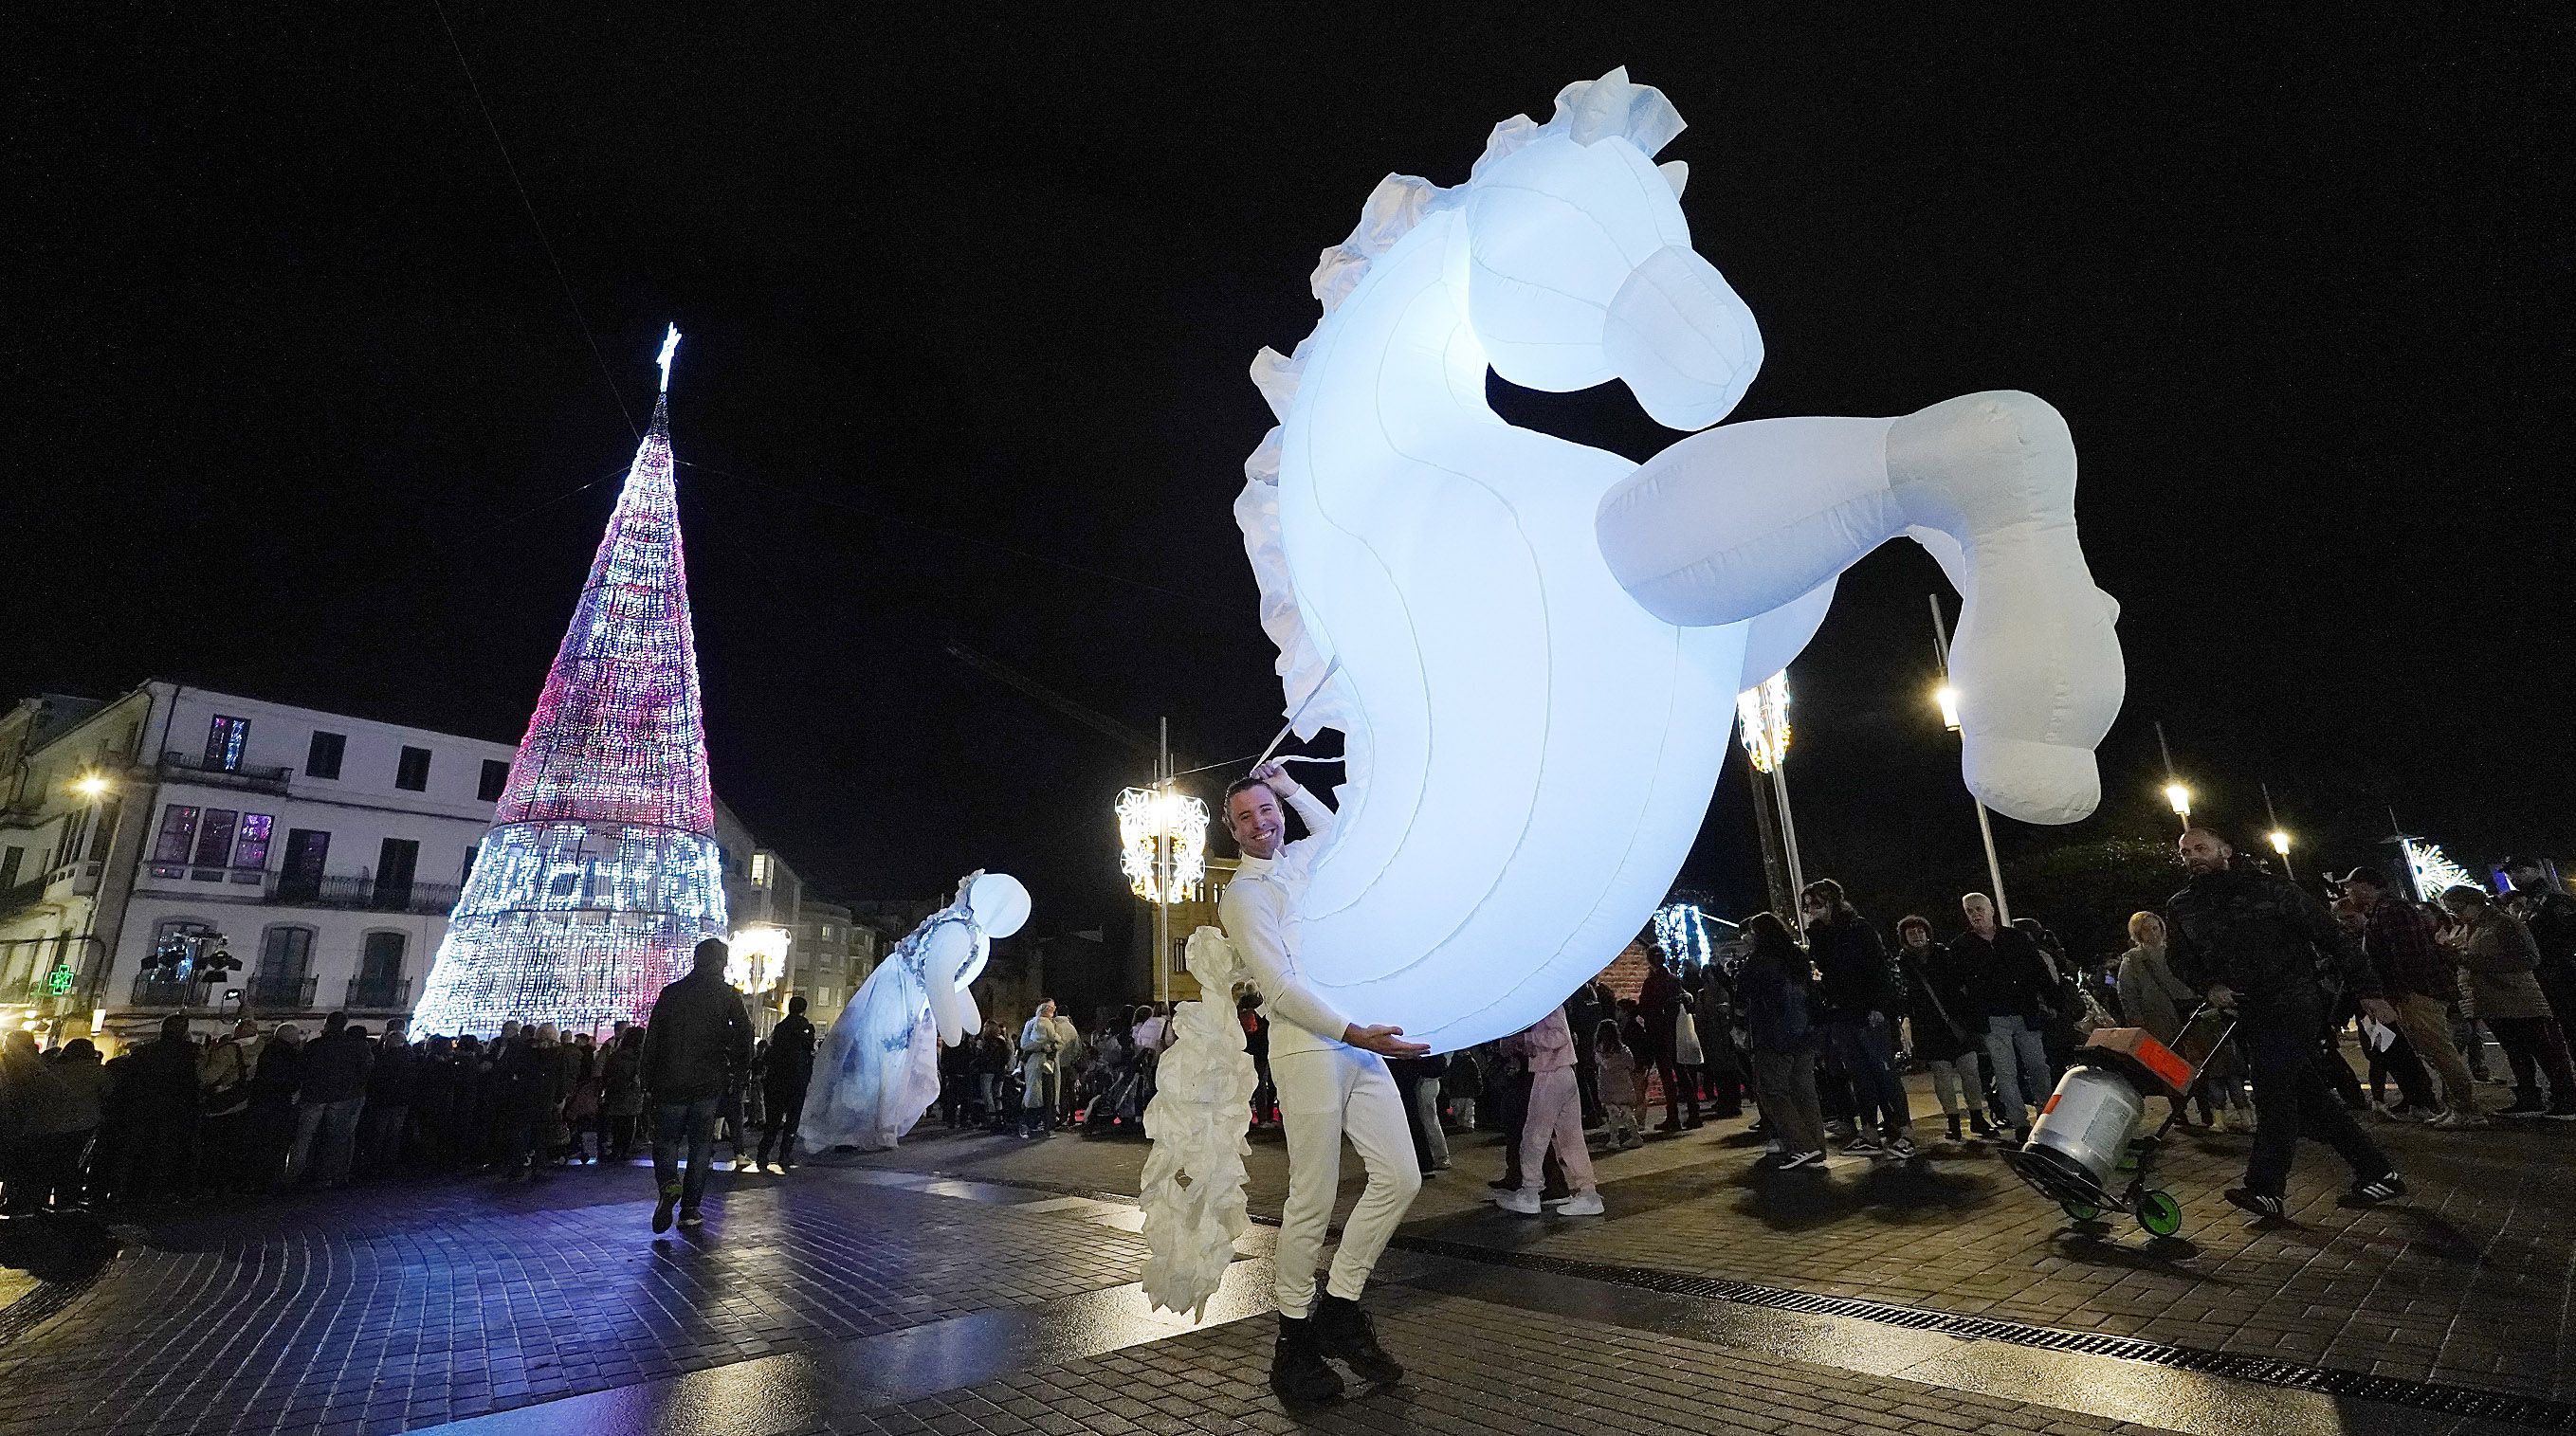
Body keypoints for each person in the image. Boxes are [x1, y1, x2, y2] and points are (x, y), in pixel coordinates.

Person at [1217, 759, 1423, 1406]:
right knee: (1313, 1195)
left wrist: (1292, 787)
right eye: (1246, 816)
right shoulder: (1244, 894)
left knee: (1401, 1175)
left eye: (1266, 809)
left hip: (1353, 1036)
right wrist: (1354, 1032)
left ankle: (1337, 1305)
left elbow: (1340, 834)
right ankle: (1292, 1338)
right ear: (1232, 829)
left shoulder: (1302, 859)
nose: (1261, 822)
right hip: (1309, 1043)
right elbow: (1277, 986)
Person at [2165, 827, 2405, 1220]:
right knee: (2309, 1095)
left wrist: (2370, 993)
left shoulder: (2273, 890)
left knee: (2273, 1092)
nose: (2193, 856)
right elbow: (2180, 959)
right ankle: (2379, 1172)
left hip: (2293, 1003)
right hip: (2247, 1013)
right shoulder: (2182, 906)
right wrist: (2209, 985)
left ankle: (2265, 1189)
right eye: (2185, 851)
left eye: (2201, 848)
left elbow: (2334, 939)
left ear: (2226, 849)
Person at [2340, 866, 2487, 1128]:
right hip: (2411, 992)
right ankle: (2456, 1106)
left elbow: (2408, 957)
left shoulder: (2392, 911)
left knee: (2439, 1050)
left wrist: (2401, 992)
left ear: (2366, 885)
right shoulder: (2383, 912)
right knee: (2432, 1051)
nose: (2347, 891)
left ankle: (2468, 1110)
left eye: (2350, 886)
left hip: (2417, 993)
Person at [641, 936, 754, 1232]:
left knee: (666, 1140)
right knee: (701, 1144)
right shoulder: (728, 996)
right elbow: (745, 1035)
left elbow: (652, 1039)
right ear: (721, 963)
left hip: (669, 1081)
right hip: (708, 1082)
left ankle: (668, 1184)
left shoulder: (671, 993)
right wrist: (737, 1072)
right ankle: (691, 1208)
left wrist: (647, 1078)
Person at [2438, 885, 2576, 1118]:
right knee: (2515, 1052)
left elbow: (2529, 959)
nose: (2456, 915)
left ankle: (2566, 1100)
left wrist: (2470, 960)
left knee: (2545, 1051)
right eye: (2452, 910)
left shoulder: (2504, 923)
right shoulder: (2473, 927)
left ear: (2475, 902)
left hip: (2520, 999)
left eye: (2458, 908)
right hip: (2493, 1001)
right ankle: (2529, 1099)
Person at [1801, 880, 1912, 1158]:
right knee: (1859, 1074)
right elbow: (1821, 974)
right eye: (1808, 906)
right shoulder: (1819, 936)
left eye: (1815, 904)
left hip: (1867, 1011)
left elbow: (1879, 968)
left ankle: (1906, 1131)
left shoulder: (1858, 929)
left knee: (1884, 1071)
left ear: (1830, 903)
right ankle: (1870, 1131)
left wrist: (1879, 1006)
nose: (1810, 910)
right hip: (1841, 1012)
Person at [1953, 893, 2055, 1141]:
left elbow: (2038, 971)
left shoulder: (2016, 938)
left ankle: (2047, 1115)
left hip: (2024, 1011)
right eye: (1970, 911)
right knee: (2005, 1071)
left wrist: (2052, 1000)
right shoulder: (1962, 946)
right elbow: (1957, 985)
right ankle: (2020, 1122)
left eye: (1979, 909)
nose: (1975, 914)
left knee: (2037, 1066)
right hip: (1992, 1017)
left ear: (1991, 910)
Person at [1738, 912, 1826, 1167]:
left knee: (1772, 1091)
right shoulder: (1797, 957)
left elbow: (1743, 997)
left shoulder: (1758, 962)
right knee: (1805, 1091)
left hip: (1773, 1035)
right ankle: (1816, 1146)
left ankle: (1801, 1145)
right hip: (1804, 1033)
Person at [1496, 1005, 1601, 1216]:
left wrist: (1524, 1040)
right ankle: (1588, 1192)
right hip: (1564, 1073)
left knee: (1534, 1134)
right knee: (1571, 1138)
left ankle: (1530, 1192)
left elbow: (1558, 1036)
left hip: (1551, 1074)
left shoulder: (1545, 1004)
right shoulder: (1550, 1003)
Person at [1895, 916, 1989, 1142]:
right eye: (1911, 933)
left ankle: (1977, 1116)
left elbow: (1962, 984)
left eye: (1920, 931)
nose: (1917, 936)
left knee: (1970, 1070)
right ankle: (1953, 1121)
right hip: (1929, 1026)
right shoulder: (1903, 964)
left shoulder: (1945, 955)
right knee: (1942, 1074)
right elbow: (1903, 996)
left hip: (1957, 1021)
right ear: (1904, 938)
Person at [2502, 858, 2576, 1062]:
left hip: (2561, 970)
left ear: (2537, 870)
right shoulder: (2523, 902)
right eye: (2510, 874)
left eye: (2520, 870)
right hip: (2542, 973)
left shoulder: (2552, 899)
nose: (2514, 877)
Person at [1637, 947, 1699, 1132]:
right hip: (1675, 1033)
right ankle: (1693, 1114)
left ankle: (1673, 1117)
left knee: (1667, 1077)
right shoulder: (1674, 980)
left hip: (1659, 1034)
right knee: (1682, 1073)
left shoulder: (1651, 983)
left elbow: (1646, 1008)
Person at [758, 995, 817, 1171]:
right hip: (796, 1081)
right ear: (803, 1009)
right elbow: (808, 1048)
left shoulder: (780, 1027)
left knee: (773, 1121)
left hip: (776, 1080)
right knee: (792, 1119)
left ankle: (763, 1153)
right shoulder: (805, 1027)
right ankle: (784, 1154)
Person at [361, 1019, 420, 1177]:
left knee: (379, 1133)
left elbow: (374, 1078)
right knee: (393, 1134)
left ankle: (374, 1165)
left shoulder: (380, 1054)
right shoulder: (410, 1055)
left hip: (384, 1101)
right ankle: (388, 1165)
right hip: (400, 1101)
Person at [1594, 1019, 1641, 1151]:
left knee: (1612, 1113)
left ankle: (1614, 1139)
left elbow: (1603, 1065)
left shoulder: (1599, 1052)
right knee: (1626, 1111)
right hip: (1623, 1084)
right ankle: (1635, 1136)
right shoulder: (1624, 1050)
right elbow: (1631, 1065)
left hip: (1607, 1087)